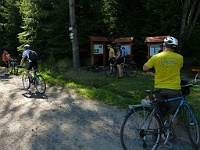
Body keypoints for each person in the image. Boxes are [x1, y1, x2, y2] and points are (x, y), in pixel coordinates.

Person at [143, 36, 183, 140]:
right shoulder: (179, 57)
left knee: (157, 112)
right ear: (174, 47)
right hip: (174, 89)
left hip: (159, 89)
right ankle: (170, 134)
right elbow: (179, 67)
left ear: (164, 45)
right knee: (172, 113)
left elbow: (145, 68)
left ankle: (156, 134)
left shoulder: (156, 57)